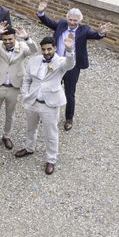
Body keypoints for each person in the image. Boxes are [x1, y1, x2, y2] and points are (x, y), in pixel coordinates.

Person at [36, 0, 113, 131]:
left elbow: (94, 35)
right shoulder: (61, 24)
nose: (72, 22)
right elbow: (47, 21)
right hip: (56, 63)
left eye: (75, 20)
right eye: (70, 19)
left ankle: (69, 118)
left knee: (69, 92)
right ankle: (49, 114)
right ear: (67, 19)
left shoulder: (84, 30)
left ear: (79, 21)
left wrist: (100, 32)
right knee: (51, 88)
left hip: (72, 65)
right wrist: (41, 12)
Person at [16, 35, 75, 175]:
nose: (47, 52)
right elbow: (27, 79)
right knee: (31, 128)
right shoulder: (34, 60)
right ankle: (29, 148)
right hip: (32, 102)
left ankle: (51, 159)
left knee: (51, 133)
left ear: (54, 48)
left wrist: (69, 49)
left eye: (49, 49)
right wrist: (25, 95)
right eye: (44, 49)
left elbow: (70, 64)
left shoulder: (61, 61)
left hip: (50, 104)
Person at [0, 24, 37, 150]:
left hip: (15, 86)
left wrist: (27, 37)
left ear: (15, 38)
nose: (7, 42)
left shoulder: (22, 47)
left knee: (10, 114)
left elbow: (34, 51)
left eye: (10, 39)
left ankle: (6, 136)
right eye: (5, 39)